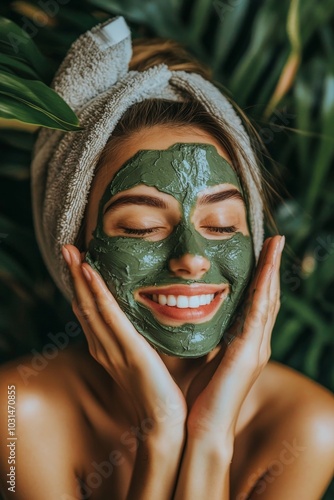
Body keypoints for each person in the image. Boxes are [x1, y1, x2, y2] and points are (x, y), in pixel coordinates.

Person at [0, 15, 334, 500]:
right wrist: (162, 430)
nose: (193, 260)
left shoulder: (308, 427)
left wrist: (209, 437)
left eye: (221, 226)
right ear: (70, 247)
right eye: (141, 228)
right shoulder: (14, 412)